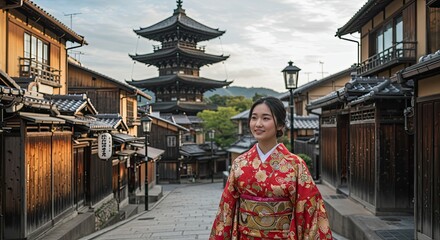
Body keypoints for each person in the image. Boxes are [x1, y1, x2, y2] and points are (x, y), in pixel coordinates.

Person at [210, 96, 332, 240]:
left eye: (266, 118)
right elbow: (226, 208)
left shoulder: (295, 164)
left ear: (280, 125)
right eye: (254, 118)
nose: (258, 124)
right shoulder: (240, 163)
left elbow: (309, 209)